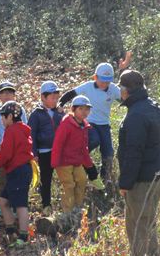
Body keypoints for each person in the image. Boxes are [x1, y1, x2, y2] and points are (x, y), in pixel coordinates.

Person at [117, 70, 160, 256]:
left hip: (140, 180)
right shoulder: (150, 108)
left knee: (137, 224)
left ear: (126, 91)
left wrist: (125, 183)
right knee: (148, 221)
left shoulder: (136, 115)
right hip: (154, 175)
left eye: (121, 88)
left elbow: (134, 152)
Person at [59, 52, 132, 181]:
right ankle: (79, 159)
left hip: (104, 124)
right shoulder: (88, 86)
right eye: (102, 81)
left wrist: (124, 70)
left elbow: (127, 98)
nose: (105, 84)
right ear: (95, 77)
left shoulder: (113, 89)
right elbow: (71, 93)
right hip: (89, 123)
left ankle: (105, 178)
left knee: (108, 152)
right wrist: (60, 103)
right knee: (94, 140)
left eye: (108, 82)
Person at [51, 96, 102, 214]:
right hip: (63, 162)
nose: (84, 112)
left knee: (82, 180)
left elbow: (84, 148)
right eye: (81, 109)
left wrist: (89, 164)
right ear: (73, 109)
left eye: (87, 109)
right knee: (69, 185)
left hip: (76, 161)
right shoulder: (66, 124)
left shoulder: (84, 126)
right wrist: (55, 162)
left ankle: (77, 208)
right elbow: (58, 144)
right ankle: (67, 212)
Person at [0, 101, 33, 247]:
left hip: (18, 171)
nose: (2, 120)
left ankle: (23, 236)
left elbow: (6, 153)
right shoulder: (23, 130)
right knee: (3, 201)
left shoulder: (11, 131)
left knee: (21, 204)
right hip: (22, 170)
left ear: (10, 116)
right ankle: (11, 232)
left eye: (3, 117)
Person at [0, 82, 28, 216]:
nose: (7, 95)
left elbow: (25, 125)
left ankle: (13, 205)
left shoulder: (19, 109)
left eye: (10, 92)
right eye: (4, 93)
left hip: (16, 147)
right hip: (0, 145)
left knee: (14, 176)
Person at [27, 81, 64, 216]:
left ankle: (65, 205)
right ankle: (46, 204)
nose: (55, 100)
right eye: (52, 97)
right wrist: (34, 152)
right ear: (43, 97)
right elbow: (31, 134)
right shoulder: (36, 114)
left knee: (65, 177)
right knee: (46, 178)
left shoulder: (59, 112)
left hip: (59, 151)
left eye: (56, 97)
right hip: (44, 152)